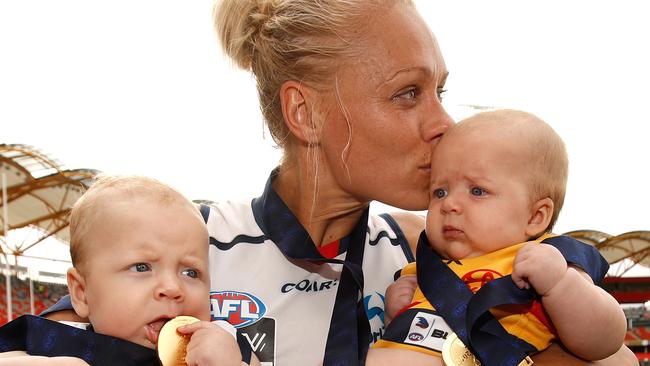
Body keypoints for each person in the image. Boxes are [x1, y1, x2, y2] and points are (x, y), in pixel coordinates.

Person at [43, 0, 637, 364]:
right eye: (408, 93)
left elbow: (612, 359)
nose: (442, 123)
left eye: (440, 91)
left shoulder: (436, 250)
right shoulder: (189, 246)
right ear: (306, 115)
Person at [370, 110, 628, 364]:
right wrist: (396, 312)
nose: (449, 204)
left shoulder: (548, 258)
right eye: (439, 192)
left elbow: (607, 339)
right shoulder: (421, 271)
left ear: (535, 217)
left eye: (477, 191)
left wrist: (560, 284)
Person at [0, 175, 258, 366]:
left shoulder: (228, 347)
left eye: (190, 273)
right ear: (82, 293)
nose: (172, 288)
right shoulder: (52, 343)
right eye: (142, 267)